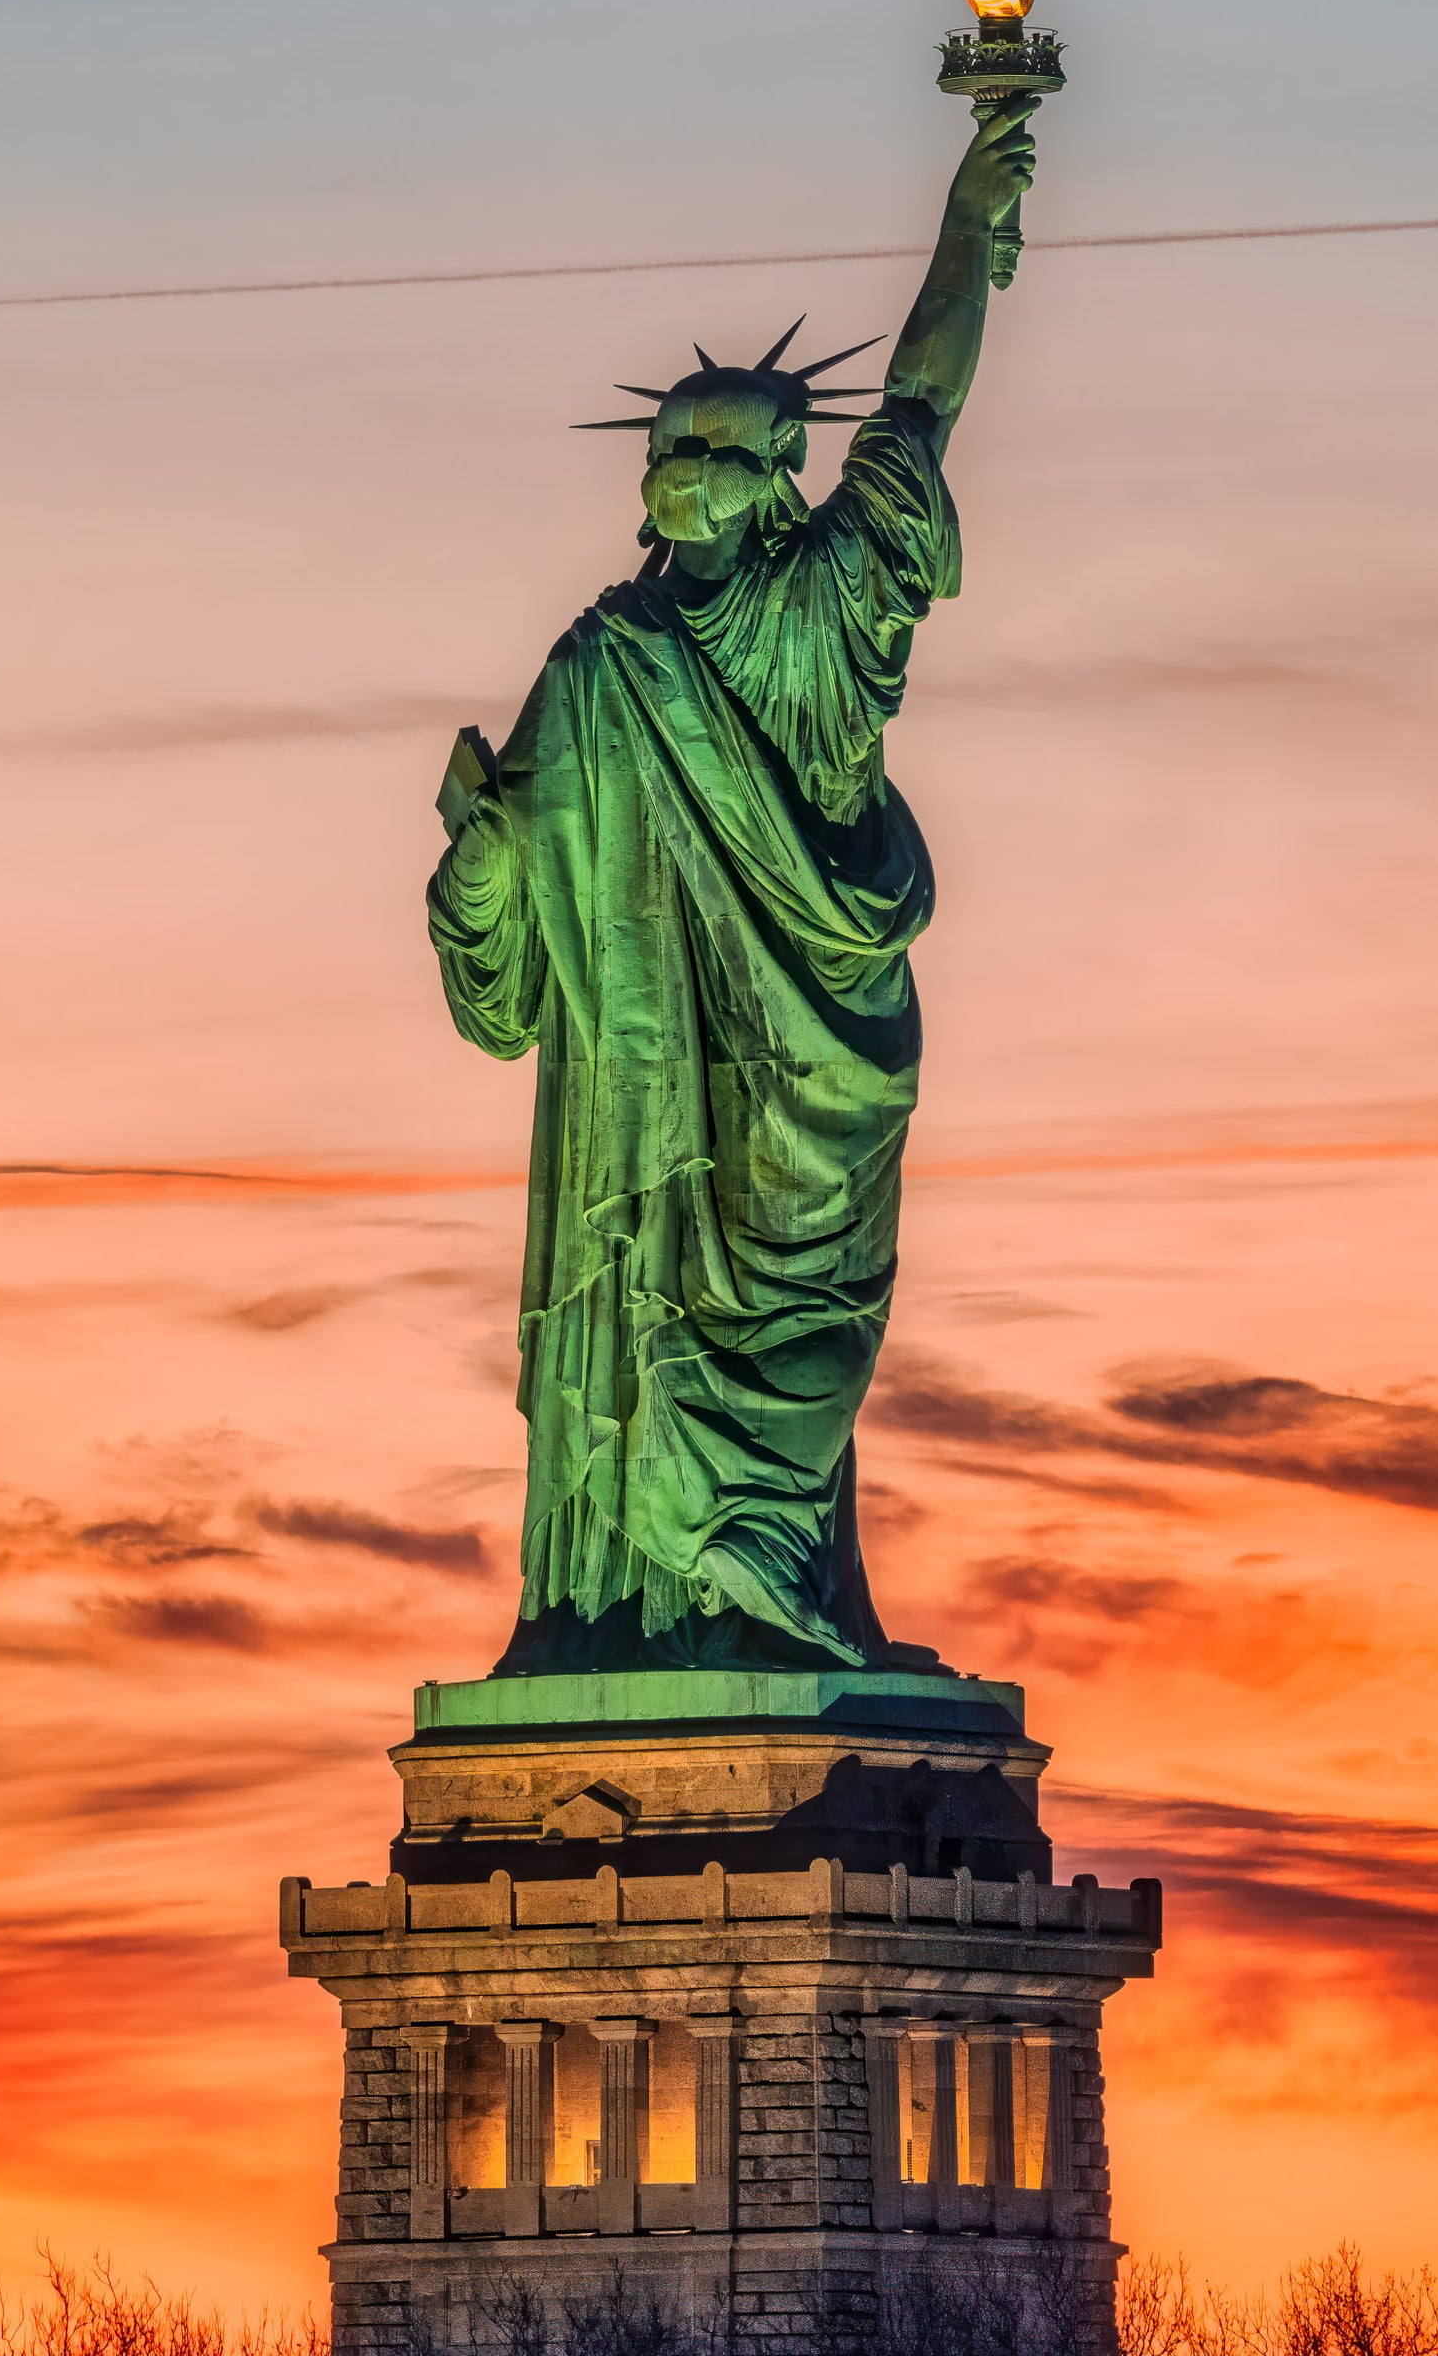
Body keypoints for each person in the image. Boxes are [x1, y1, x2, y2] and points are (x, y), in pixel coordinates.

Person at [428, 99, 1038, 1674]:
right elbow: (505, 1001)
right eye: (669, 451)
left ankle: (768, 1577)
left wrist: (978, 204)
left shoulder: (834, 606)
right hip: (635, 1100)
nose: (688, 473)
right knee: (651, 1302)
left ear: (785, 476)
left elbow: (919, 403)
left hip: (807, 1055)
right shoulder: (593, 667)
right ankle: (652, 1602)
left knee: (805, 1317)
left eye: (722, 451)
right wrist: (483, 855)